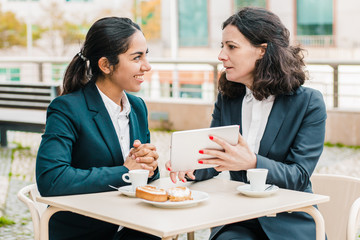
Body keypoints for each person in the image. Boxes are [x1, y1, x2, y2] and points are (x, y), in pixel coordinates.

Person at [166, 7, 327, 240]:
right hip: (237, 218)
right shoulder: (228, 97)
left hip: (287, 221)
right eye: (222, 46)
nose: (221, 56)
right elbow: (214, 158)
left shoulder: (308, 103)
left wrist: (252, 162)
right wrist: (191, 165)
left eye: (231, 46)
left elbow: (299, 176)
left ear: (262, 51)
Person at [36, 17, 161, 240]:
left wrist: (150, 165)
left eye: (146, 55)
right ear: (105, 65)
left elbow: (143, 174)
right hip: (84, 232)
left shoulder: (138, 107)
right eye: (137, 57)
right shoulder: (67, 109)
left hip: (131, 225)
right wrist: (126, 172)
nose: (147, 66)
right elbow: (52, 179)